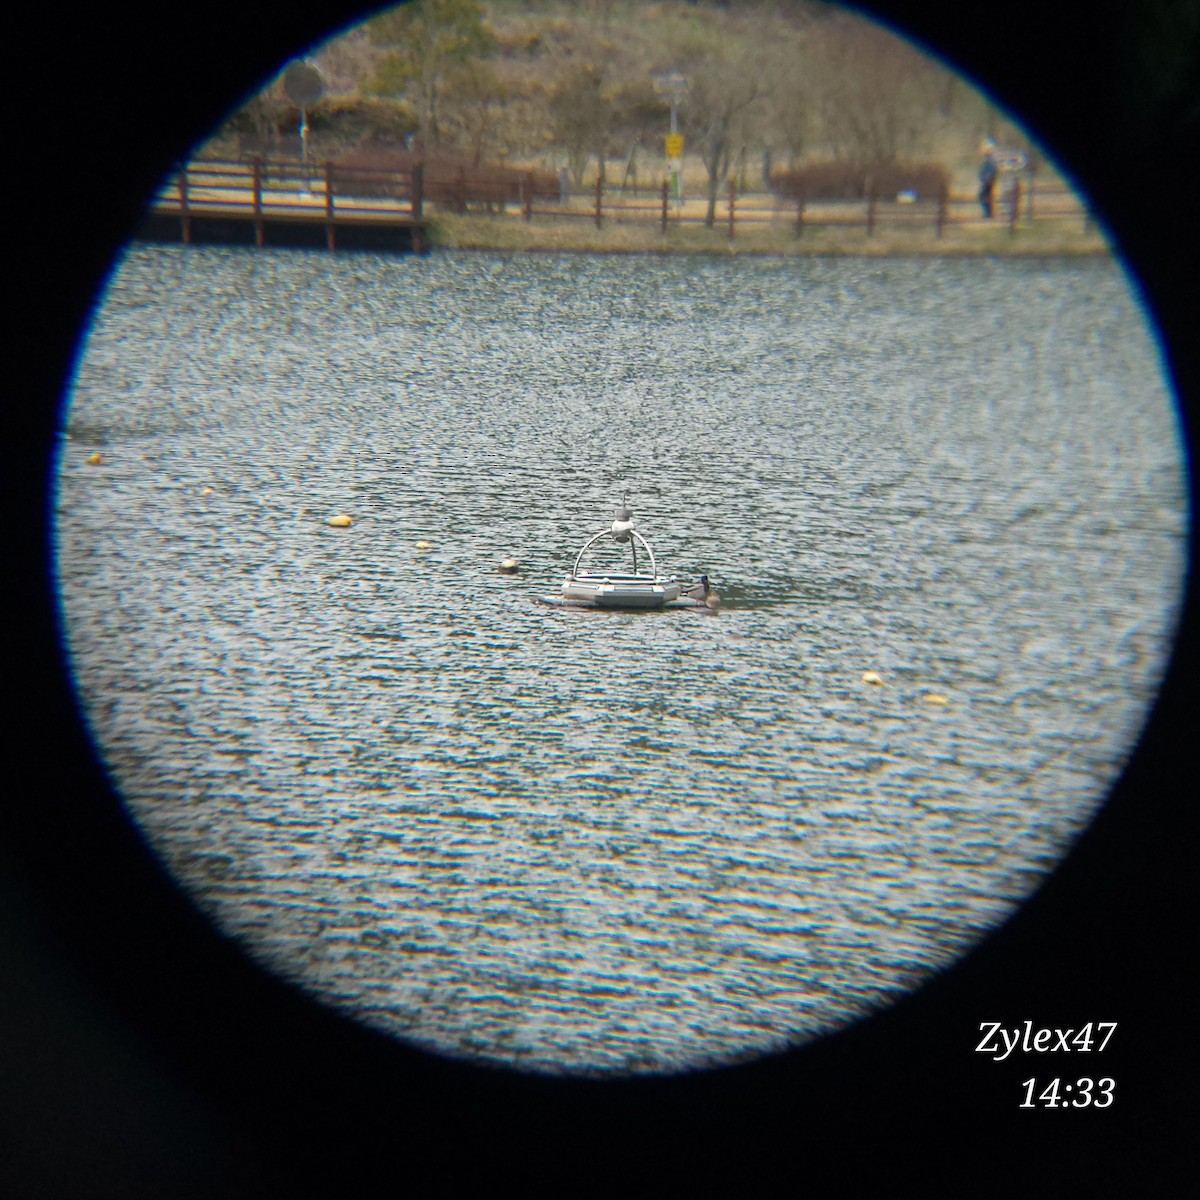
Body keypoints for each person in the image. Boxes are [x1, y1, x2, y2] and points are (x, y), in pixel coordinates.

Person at [978, 139, 998, 218]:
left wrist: (988, 178)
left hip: (988, 182)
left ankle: (988, 213)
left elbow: (992, 171)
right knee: (986, 197)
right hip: (986, 181)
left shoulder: (990, 161)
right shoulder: (988, 160)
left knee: (984, 196)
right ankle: (988, 213)